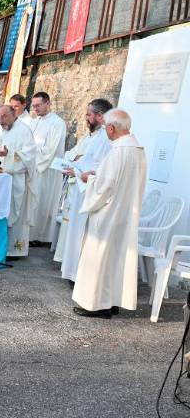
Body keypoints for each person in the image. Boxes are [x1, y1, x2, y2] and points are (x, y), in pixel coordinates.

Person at [72, 109, 146, 318]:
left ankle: (97, 305)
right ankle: (112, 300)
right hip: (126, 213)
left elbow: (104, 187)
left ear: (112, 128)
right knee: (116, 258)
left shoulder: (117, 152)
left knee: (100, 257)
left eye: (106, 128)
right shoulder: (138, 150)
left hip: (108, 213)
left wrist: (90, 179)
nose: (105, 131)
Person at [56, 99, 113, 281]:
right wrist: (74, 165)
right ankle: (72, 272)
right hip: (80, 187)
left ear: (100, 116)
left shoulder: (105, 138)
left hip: (88, 189)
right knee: (75, 233)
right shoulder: (93, 136)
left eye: (89, 114)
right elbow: (80, 156)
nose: (86, 118)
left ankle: (77, 275)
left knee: (81, 234)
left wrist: (77, 169)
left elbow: (97, 164)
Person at [0, 106, 37, 258]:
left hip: (17, 180)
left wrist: (9, 153)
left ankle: (15, 250)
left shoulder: (24, 130)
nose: (1, 121)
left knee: (16, 215)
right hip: (3, 178)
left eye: (4, 117)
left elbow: (29, 155)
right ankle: (1, 248)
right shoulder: (4, 130)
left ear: (13, 114)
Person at [28, 92, 67, 245]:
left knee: (43, 201)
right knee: (32, 202)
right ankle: (29, 234)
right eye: (34, 106)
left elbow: (51, 149)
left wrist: (34, 154)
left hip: (46, 169)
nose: (35, 109)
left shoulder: (57, 123)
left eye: (38, 105)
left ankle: (40, 237)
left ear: (48, 103)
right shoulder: (34, 121)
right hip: (33, 167)